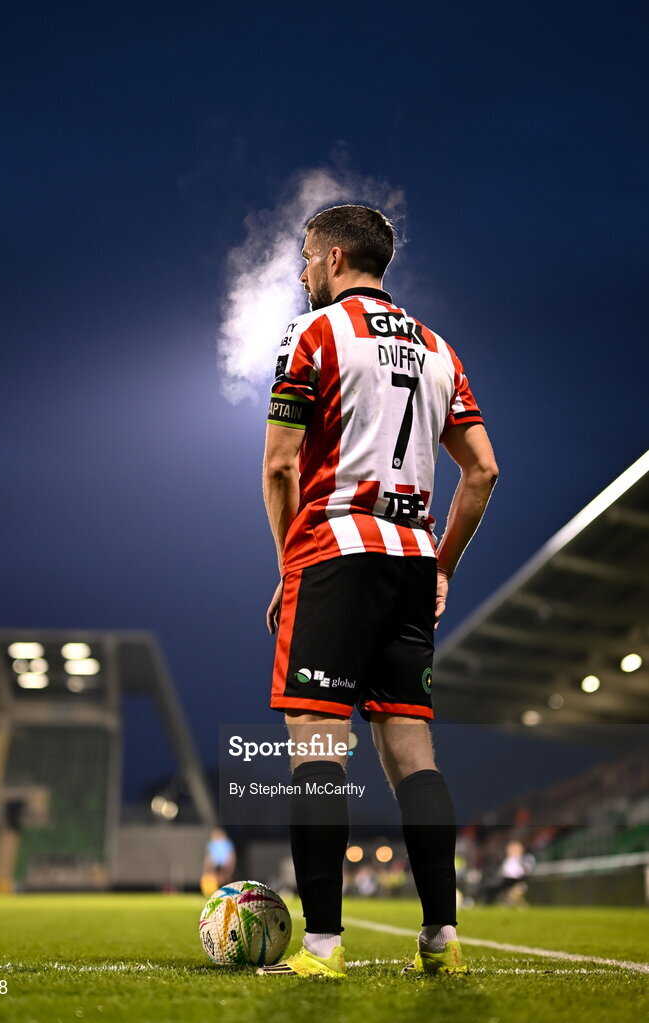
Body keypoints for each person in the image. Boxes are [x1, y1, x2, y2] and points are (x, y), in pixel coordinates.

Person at [257, 205, 498, 978]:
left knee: (316, 746)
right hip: (408, 561)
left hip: (336, 552)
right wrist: (442, 566)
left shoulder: (313, 334)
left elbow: (280, 466)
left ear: (331, 258)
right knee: (411, 754)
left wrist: (290, 562)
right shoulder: (437, 348)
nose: (300, 274)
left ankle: (323, 947)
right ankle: (442, 938)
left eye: (303, 259)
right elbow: (483, 470)